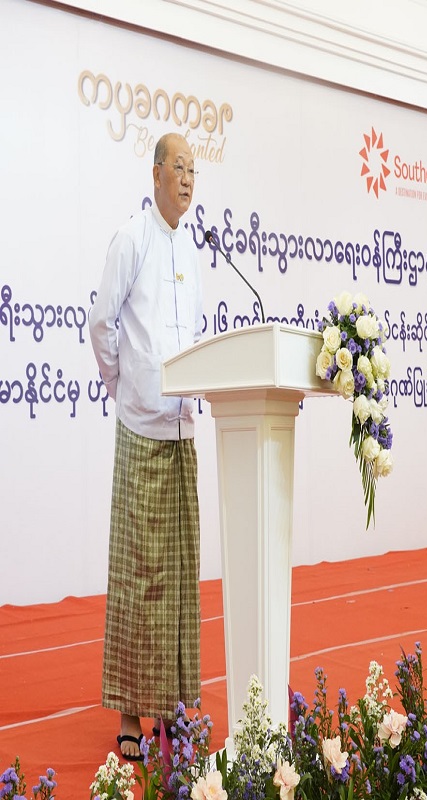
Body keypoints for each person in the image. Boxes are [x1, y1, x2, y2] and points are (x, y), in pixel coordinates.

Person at [88, 133, 205, 760]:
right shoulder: (131, 239)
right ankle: (131, 714)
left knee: (180, 577)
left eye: (194, 171)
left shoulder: (193, 248)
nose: (187, 179)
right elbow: (102, 324)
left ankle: (174, 709)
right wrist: (124, 387)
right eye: (178, 168)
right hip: (140, 428)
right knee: (139, 576)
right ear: (156, 173)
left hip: (182, 430)